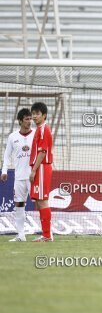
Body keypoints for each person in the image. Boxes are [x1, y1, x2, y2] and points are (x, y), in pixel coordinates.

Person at [1, 109, 34, 242]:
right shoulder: (12, 137)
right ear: (20, 121)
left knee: (40, 202)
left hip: (33, 176)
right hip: (19, 176)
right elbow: (7, 155)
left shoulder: (36, 134)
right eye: (26, 119)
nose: (29, 121)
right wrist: (4, 171)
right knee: (19, 205)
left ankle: (47, 233)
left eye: (30, 118)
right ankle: (21, 235)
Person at [29, 102, 54, 242]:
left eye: (37, 113)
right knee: (39, 202)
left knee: (43, 201)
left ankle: (47, 235)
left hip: (42, 167)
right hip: (40, 168)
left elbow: (43, 152)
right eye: (33, 113)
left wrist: (34, 170)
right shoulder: (39, 129)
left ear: (44, 115)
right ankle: (46, 233)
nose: (34, 116)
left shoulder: (44, 129)